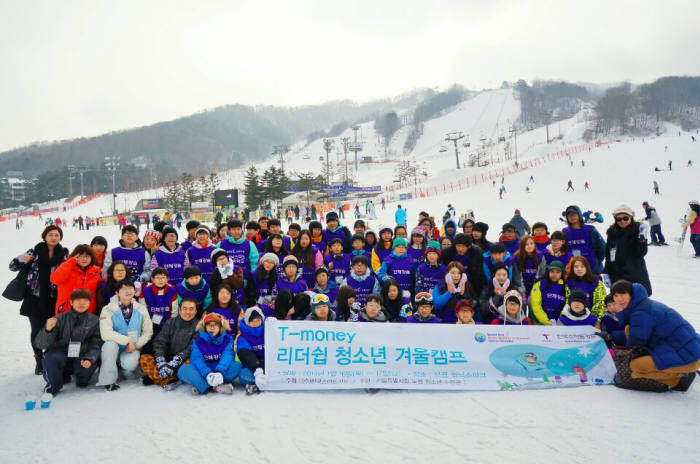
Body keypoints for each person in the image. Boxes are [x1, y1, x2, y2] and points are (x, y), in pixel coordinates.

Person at [611, 280, 700, 391]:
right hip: (688, 349)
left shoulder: (640, 313)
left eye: (623, 294)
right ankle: (680, 371)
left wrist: (615, 343)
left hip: (689, 356)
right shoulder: (643, 304)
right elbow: (635, 333)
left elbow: (635, 342)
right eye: (616, 295)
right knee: (628, 329)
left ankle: (679, 379)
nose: (620, 299)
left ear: (631, 294)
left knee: (637, 367)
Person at [9, 225, 69, 374]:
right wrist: (23, 259)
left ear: (60, 237)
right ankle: (39, 360)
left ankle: (48, 358)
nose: (54, 237)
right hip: (34, 298)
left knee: (52, 329)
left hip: (54, 298)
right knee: (36, 330)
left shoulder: (64, 253)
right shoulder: (34, 252)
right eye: (51, 234)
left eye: (57, 235)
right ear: (45, 236)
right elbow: (12, 266)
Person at [34, 289, 101, 401]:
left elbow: (96, 344)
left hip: (81, 354)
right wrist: (48, 330)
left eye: (85, 300)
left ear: (90, 302)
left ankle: (80, 378)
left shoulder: (94, 321)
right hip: (60, 353)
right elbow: (40, 344)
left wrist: (90, 359)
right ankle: (53, 386)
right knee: (51, 359)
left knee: (86, 369)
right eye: (78, 300)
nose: (81, 303)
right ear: (71, 302)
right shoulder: (59, 319)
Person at [97, 280, 154, 390]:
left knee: (130, 363)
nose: (128, 291)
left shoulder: (141, 309)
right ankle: (108, 380)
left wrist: (136, 344)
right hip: (116, 346)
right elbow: (105, 333)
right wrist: (127, 340)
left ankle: (125, 370)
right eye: (124, 289)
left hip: (132, 347)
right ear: (117, 293)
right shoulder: (108, 309)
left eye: (131, 288)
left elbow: (148, 331)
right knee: (109, 346)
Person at [139, 297, 199, 389]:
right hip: (166, 359)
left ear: (195, 311)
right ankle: (169, 379)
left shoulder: (199, 326)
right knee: (144, 359)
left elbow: (192, 348)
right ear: (179, 310)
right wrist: (161, 361)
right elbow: (160, 342)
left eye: (191, 309)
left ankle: (157, 378)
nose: (188, 312)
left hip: (182, 361)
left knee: (191, 364)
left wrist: (175, 362)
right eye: (185, 308)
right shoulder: (170, 322)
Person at [177, 312, 240, 395]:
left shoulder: (227, 339)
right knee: (183, 370)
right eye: (209, 324)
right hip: (204, 370)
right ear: (204, 326)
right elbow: (196, 359)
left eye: (215, 325)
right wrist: (207, 374)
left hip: (220, 370)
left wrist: (220, 372)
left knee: (236, 366)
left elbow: (227, 356)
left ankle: (202, 385)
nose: (212, 327)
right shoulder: (198, 340)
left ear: (221, 326)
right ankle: (216, 387)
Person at [604, 204, 652, 295]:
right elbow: (608, 255)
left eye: (625, 218)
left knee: (636, 302)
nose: (622, 221)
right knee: (620, 303)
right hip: (617, 275)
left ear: (631, 217)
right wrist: (606, 272)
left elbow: (641, 252)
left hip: (634, 275)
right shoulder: (612, 233)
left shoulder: (637, 231)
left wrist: (642, 238)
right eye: (619, 219)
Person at [50, 244, 103, 315]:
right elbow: (54, 279)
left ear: (91, 258)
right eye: (80, 256)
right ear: (75, 257)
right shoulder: (67, 268)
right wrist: (70, 262)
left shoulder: (96, 272)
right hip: (66, 312)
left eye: (87, 256)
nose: (84, 259)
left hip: (88, 312)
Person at [140, 267, 179, 354]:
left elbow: (174, 310)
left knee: (167, 342)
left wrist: (171, 325)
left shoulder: (172, 290)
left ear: (167, 279)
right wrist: (147, 324)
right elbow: (143, 309)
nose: (160, 280)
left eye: (163, 277)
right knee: (149, 344)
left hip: (166, 323)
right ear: (152, 279)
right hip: (150, 323)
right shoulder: (146, 290)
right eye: (157, 278)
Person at [561, 205, 606, 273]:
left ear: (579, 214)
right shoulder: (565, 232)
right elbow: (563, 249)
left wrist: (596, 261)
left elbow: (602, 248)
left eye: (574, 214)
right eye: (569, 215)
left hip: (592, 270)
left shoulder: (590, 229)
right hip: (574, 271)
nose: (572, 216)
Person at [236, 306, 268, 395]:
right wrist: (257, 370)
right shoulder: (243, 337)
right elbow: (245, 353)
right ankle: (261, 382)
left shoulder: (269, 330)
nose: (256, 323)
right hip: (253, 367)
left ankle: (259, 384)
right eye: (252, 321)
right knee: (243, 375)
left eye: (258, 320)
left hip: (270, 365)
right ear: (247, 322)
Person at [218, 219, 259, 283]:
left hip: (245, 280)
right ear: (229, 230)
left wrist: (251, 278)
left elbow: (254, 263)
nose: (236, 232)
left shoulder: (249, 244)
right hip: (226, 281)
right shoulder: (221, 244)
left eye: (238, 229)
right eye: (234, 229)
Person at [566, 256, 606, 321]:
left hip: (592, 319)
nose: (579, 269)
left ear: (587, 268)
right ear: (572, 268)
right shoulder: (569, 283)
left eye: (582, 266)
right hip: (573, 319)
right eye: (576, 267)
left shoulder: (596, 282)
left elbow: (600, 303)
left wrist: (594, 320)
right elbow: (567, 303)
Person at [529, 261, 568, 325]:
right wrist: (547, 322)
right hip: (539, 323)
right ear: (548, 272)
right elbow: (535, 306)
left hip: (558, 325)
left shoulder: (566, 288)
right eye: (552, 271)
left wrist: (559, 322)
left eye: (558, 272)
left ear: (562, 273)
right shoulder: (539, 284)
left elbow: (566, 307)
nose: (554, 274)